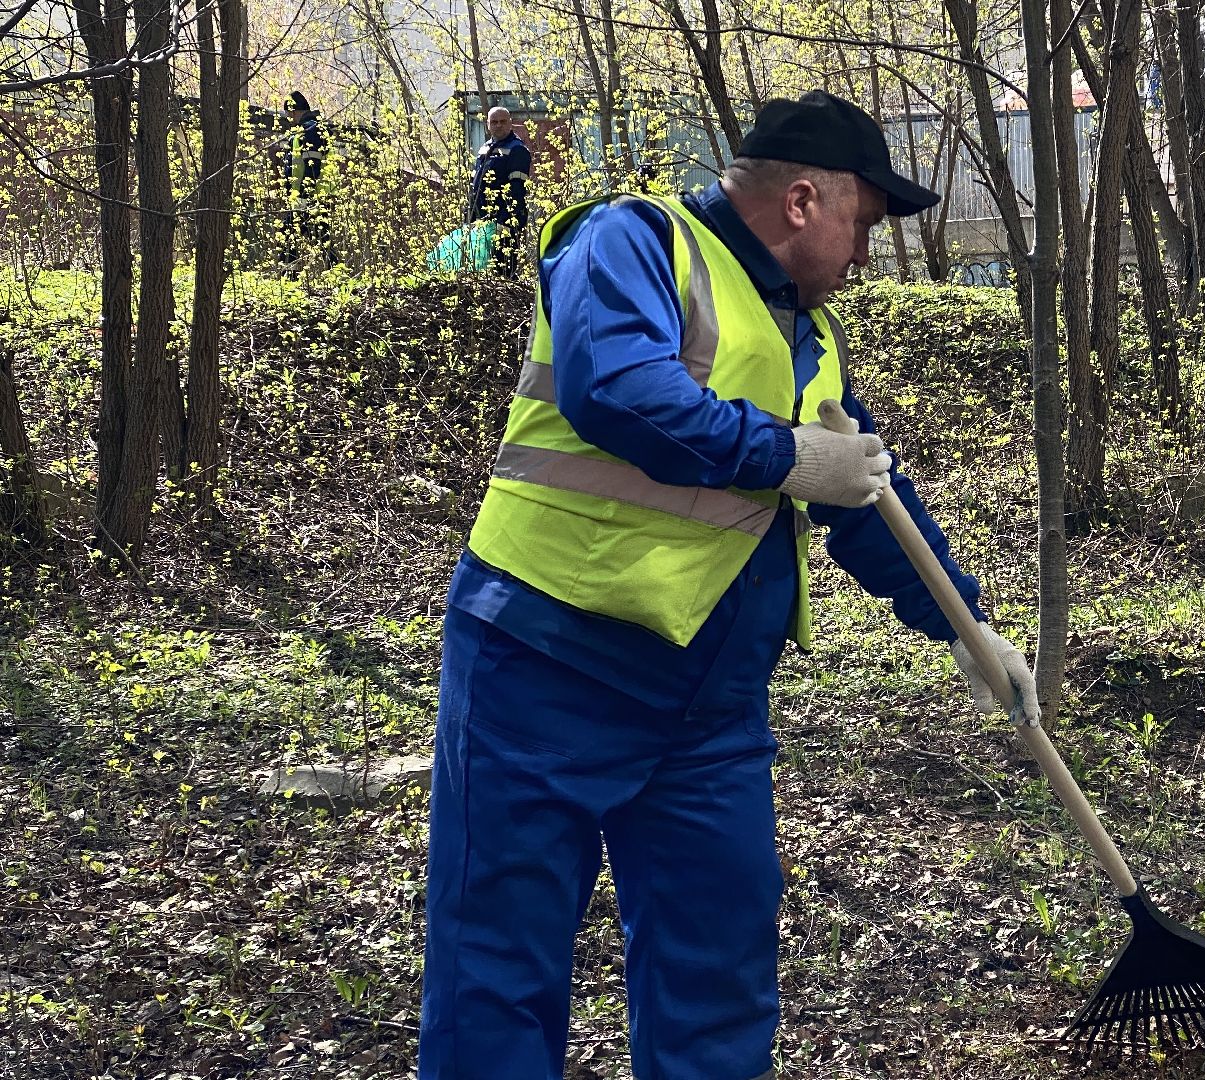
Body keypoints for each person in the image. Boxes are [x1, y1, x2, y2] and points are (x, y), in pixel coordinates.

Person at [419, 90, 1040, 1080]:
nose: (865, 256)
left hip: (704, 714)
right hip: (542, 672)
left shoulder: (807, 336)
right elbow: (616, 389)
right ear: (803, 200)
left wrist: (965, 630)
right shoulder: (632, 241)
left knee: (718, 980)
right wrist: (787, 457)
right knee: (497, 973)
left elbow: (872, 498)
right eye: (864, 226)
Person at [467, 105, 531, 276]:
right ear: (488, 125)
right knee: (481, 274)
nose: (498, 125)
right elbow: (475, 188)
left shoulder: (517, 150)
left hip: (504, 224)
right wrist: (470, 219)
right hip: (482, 223)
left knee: (503, 273)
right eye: (494, 122)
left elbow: (517, 191)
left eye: (503, 121)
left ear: (510, 123)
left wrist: (505, 223)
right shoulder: (485, 149)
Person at [280, 91, 330, 261]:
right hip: (304, 195)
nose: (289, 118)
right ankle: (334, 270)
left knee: (289, 234)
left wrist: (303, 196)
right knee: (318, 237)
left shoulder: (311, 130)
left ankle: (289, 276)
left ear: (294, 111)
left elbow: (312, 167)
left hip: (310, 195)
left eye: (289, 114)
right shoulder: (305, 129)